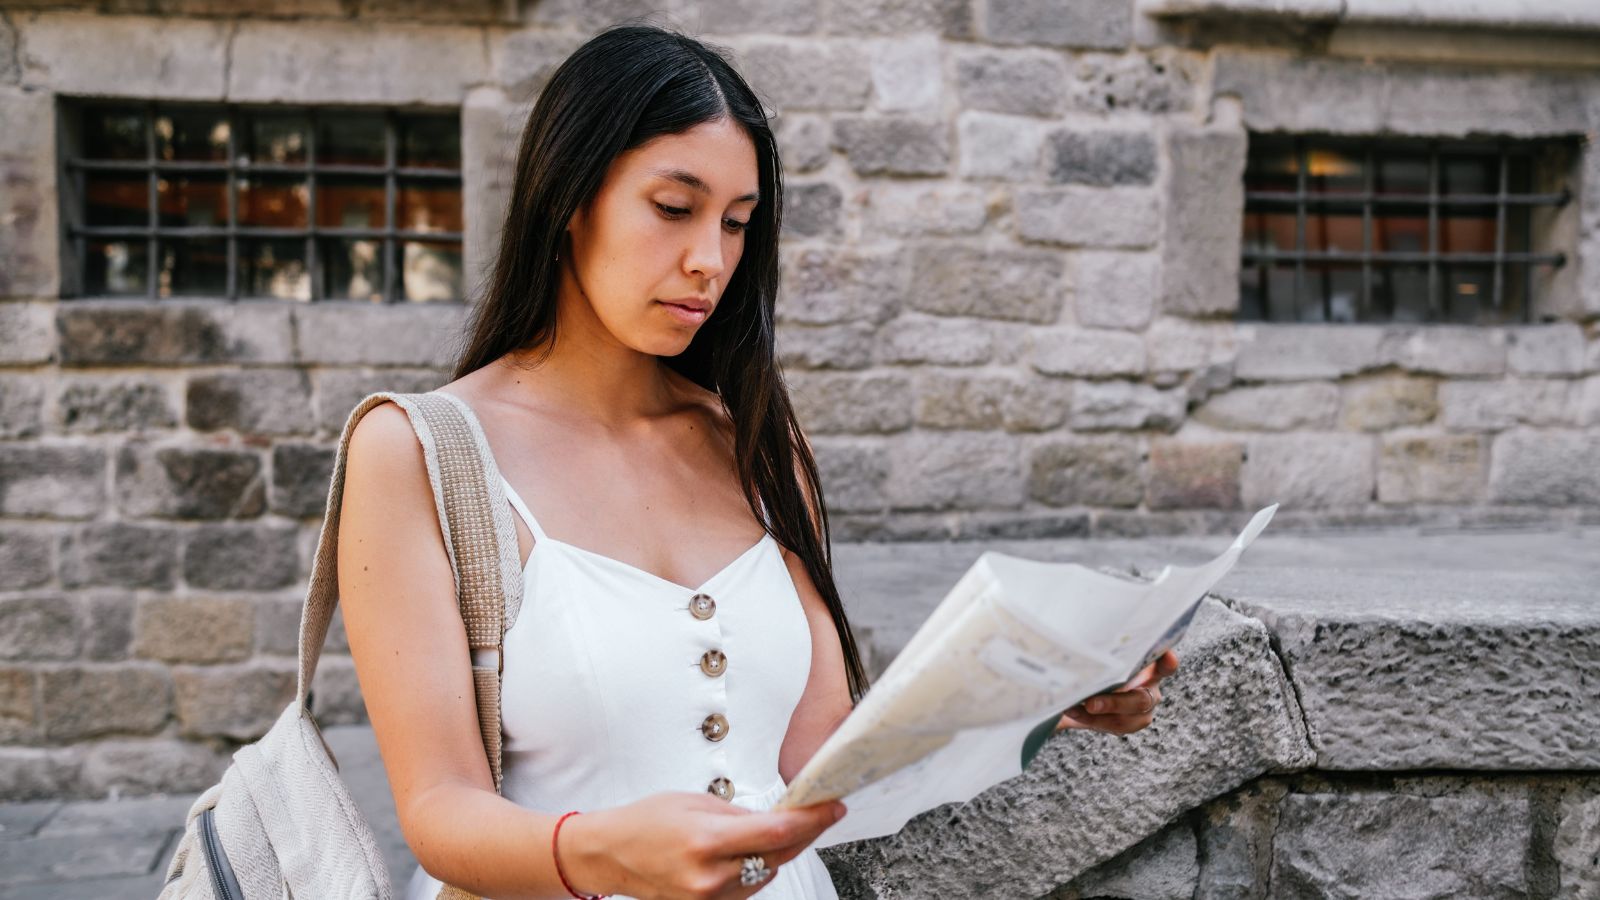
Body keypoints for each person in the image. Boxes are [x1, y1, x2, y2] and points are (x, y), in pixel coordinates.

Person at [336, 22, 1179, 900]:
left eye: (737, 224)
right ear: (569, 197)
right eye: (674, 208)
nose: (710, 260)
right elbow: (438, 809)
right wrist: (605, 853)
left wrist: (1043, 701)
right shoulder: (415, 453)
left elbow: (821, 765)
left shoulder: (759, 445)